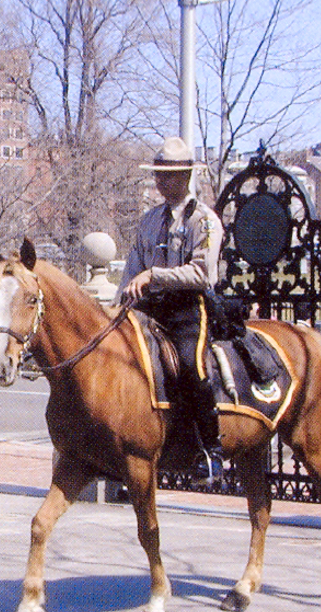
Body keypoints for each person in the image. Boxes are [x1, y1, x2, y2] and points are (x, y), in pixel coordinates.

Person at [117, 136, 226, 485]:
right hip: (148, 307)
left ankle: (211, 451)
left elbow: (202, 273)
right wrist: (121, 300)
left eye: (168, 174)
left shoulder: (203, 221)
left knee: (191, 365)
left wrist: (155, 275)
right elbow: (132, 266)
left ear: (185, 176)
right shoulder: (149, 220)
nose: (160, 181)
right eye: (158, 174)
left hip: (186, 308)